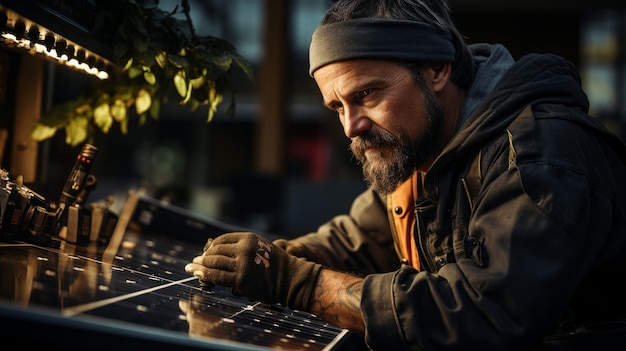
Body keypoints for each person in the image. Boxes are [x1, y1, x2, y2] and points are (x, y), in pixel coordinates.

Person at [185, 0, 626, 349]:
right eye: (338, 106)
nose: (351, 126)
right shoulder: (416, 150)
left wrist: (292, 281)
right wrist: (268, 258)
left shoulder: (540, 154)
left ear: (436, 69)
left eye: (367, 94)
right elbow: (354, 243)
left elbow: (484, 316)